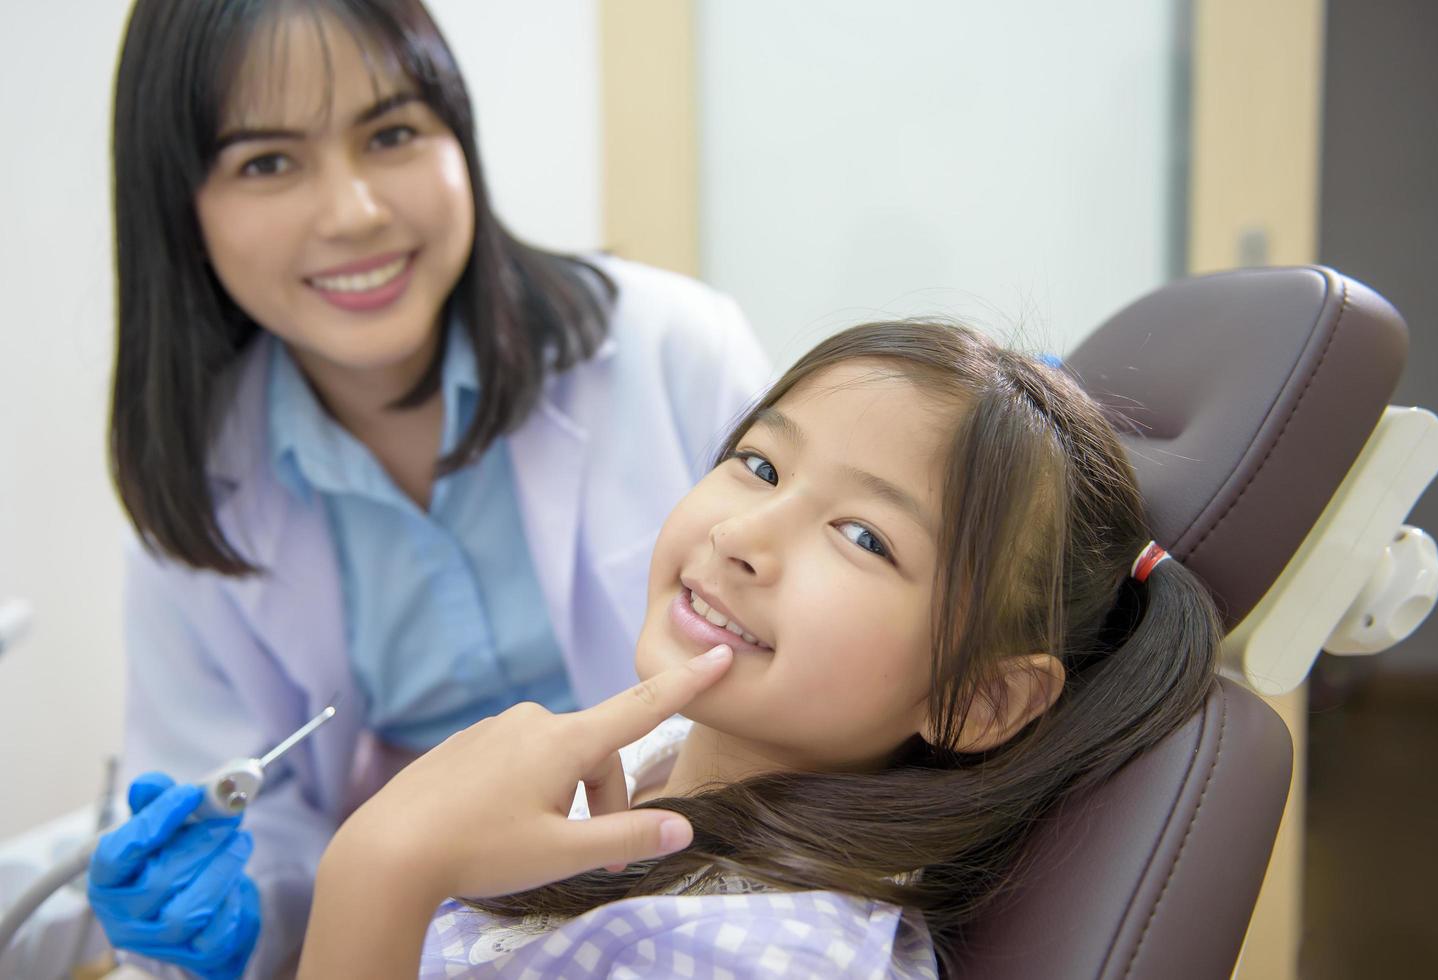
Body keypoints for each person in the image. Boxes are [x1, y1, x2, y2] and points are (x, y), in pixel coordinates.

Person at [90, 1, 768, 976]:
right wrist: (227, 905)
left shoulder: (673, 352)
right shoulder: (197, 495)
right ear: (178, 204)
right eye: (267, 161)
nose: (355, 211)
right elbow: (260, 822)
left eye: (393, 132)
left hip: (713, 883)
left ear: (461, 136)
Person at [253, 318, 1215, 976]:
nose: (740, 538)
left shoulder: (770, 956)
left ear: (985, 699)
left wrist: (377, 872)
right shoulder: (657, 763)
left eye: (864, 537)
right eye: (759, 464)